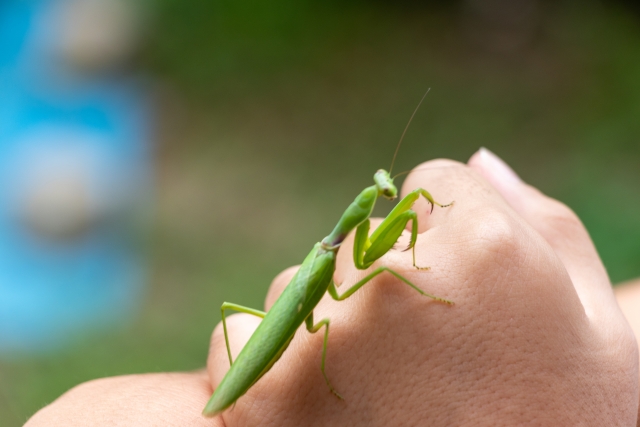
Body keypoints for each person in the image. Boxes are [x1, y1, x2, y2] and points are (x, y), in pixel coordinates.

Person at [25, 149, 640, 426]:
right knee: (338, 306)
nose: (388, 194)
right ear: (363, 203)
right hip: (278, 340)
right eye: (381, 192)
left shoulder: (333, 248)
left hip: (287, 320)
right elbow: (358, 285)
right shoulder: (333, 260)